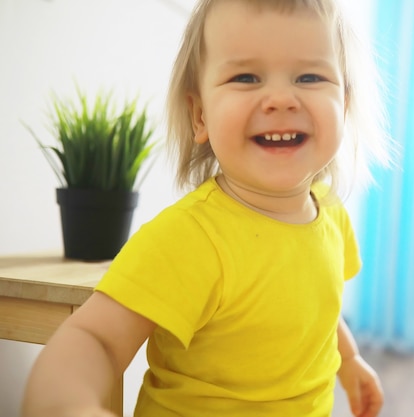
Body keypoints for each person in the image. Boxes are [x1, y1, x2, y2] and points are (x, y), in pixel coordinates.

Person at [21, 0, 393, 416]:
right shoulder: (189, 239)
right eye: (246, 77)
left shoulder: (330, 212)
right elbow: (97, 339)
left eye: (309, 76)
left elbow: (317, 310)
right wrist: (69, 403)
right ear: (200, 116)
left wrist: (351, 360)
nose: (281, 98)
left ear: (344, 104)